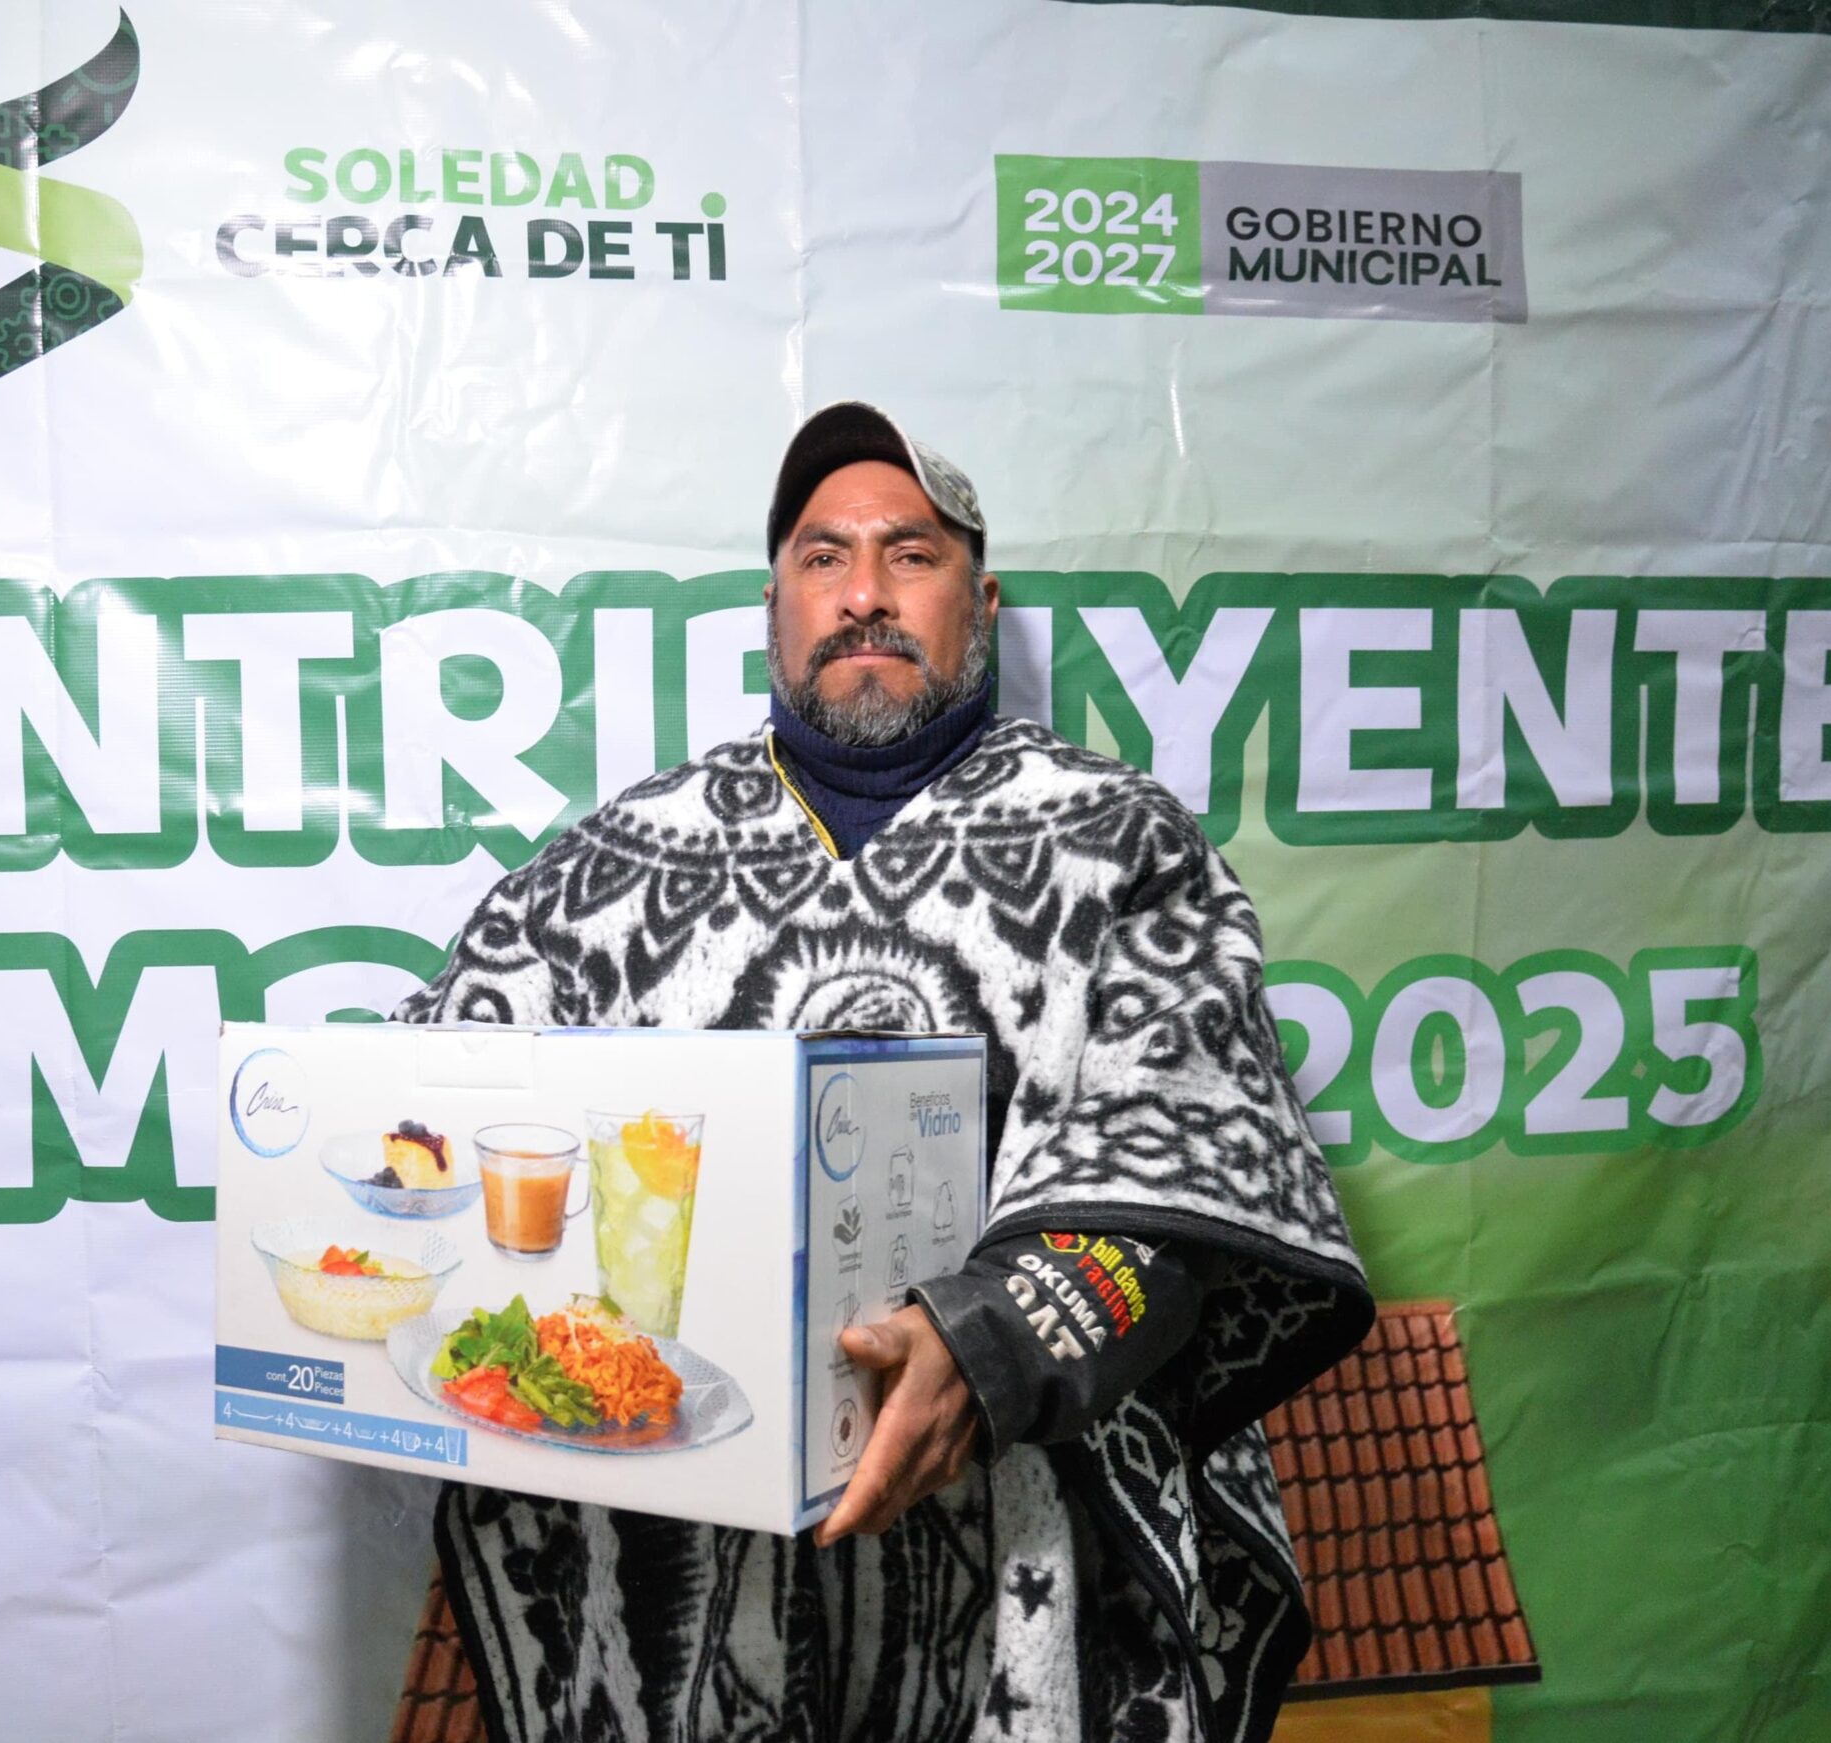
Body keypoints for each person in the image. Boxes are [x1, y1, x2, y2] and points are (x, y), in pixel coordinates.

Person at [393, 402, 1374, 1743]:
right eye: (822, 557)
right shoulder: (613, 863)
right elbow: (434, 1106)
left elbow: (1189, 1185)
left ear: (983, 603)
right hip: (684, 1560)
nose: (863, 594)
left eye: (910, 555)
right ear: (774, 607)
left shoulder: (1117, 841)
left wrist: (994, 1346)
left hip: (1023, 1559)